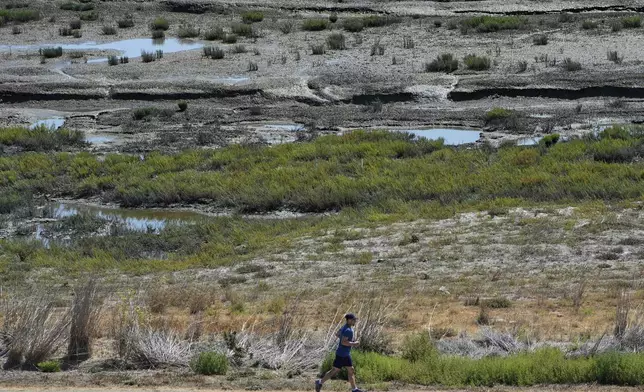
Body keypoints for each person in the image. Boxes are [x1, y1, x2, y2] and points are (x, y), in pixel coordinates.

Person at [315, 313, 363, 392]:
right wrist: (354, 343)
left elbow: (337, 334)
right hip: (342, 354)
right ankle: (319, 382)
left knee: (351, 370)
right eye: (354, 320)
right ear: (349, 320)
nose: (355, 321)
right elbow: (344, 342)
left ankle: (354, 389)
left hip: (344, 353)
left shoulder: (344, 327)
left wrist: (346, 340)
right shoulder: (348, 330)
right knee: (334, 371)